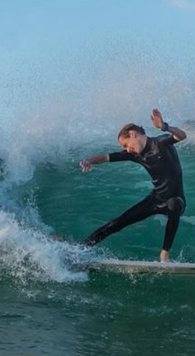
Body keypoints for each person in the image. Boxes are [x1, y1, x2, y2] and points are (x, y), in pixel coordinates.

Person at [80, 109, 187, 262]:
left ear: (132, 134)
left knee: (174, 203)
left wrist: (164, 126)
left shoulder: (160, 143)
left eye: (126, 145)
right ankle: (81, 248)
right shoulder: (135, 155)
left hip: (177, 201)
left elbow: (181, 136)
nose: (127, 149)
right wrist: (89, 161)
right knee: (117, 223)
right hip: (155, 200)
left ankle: (165, 253)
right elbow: (107, 157)